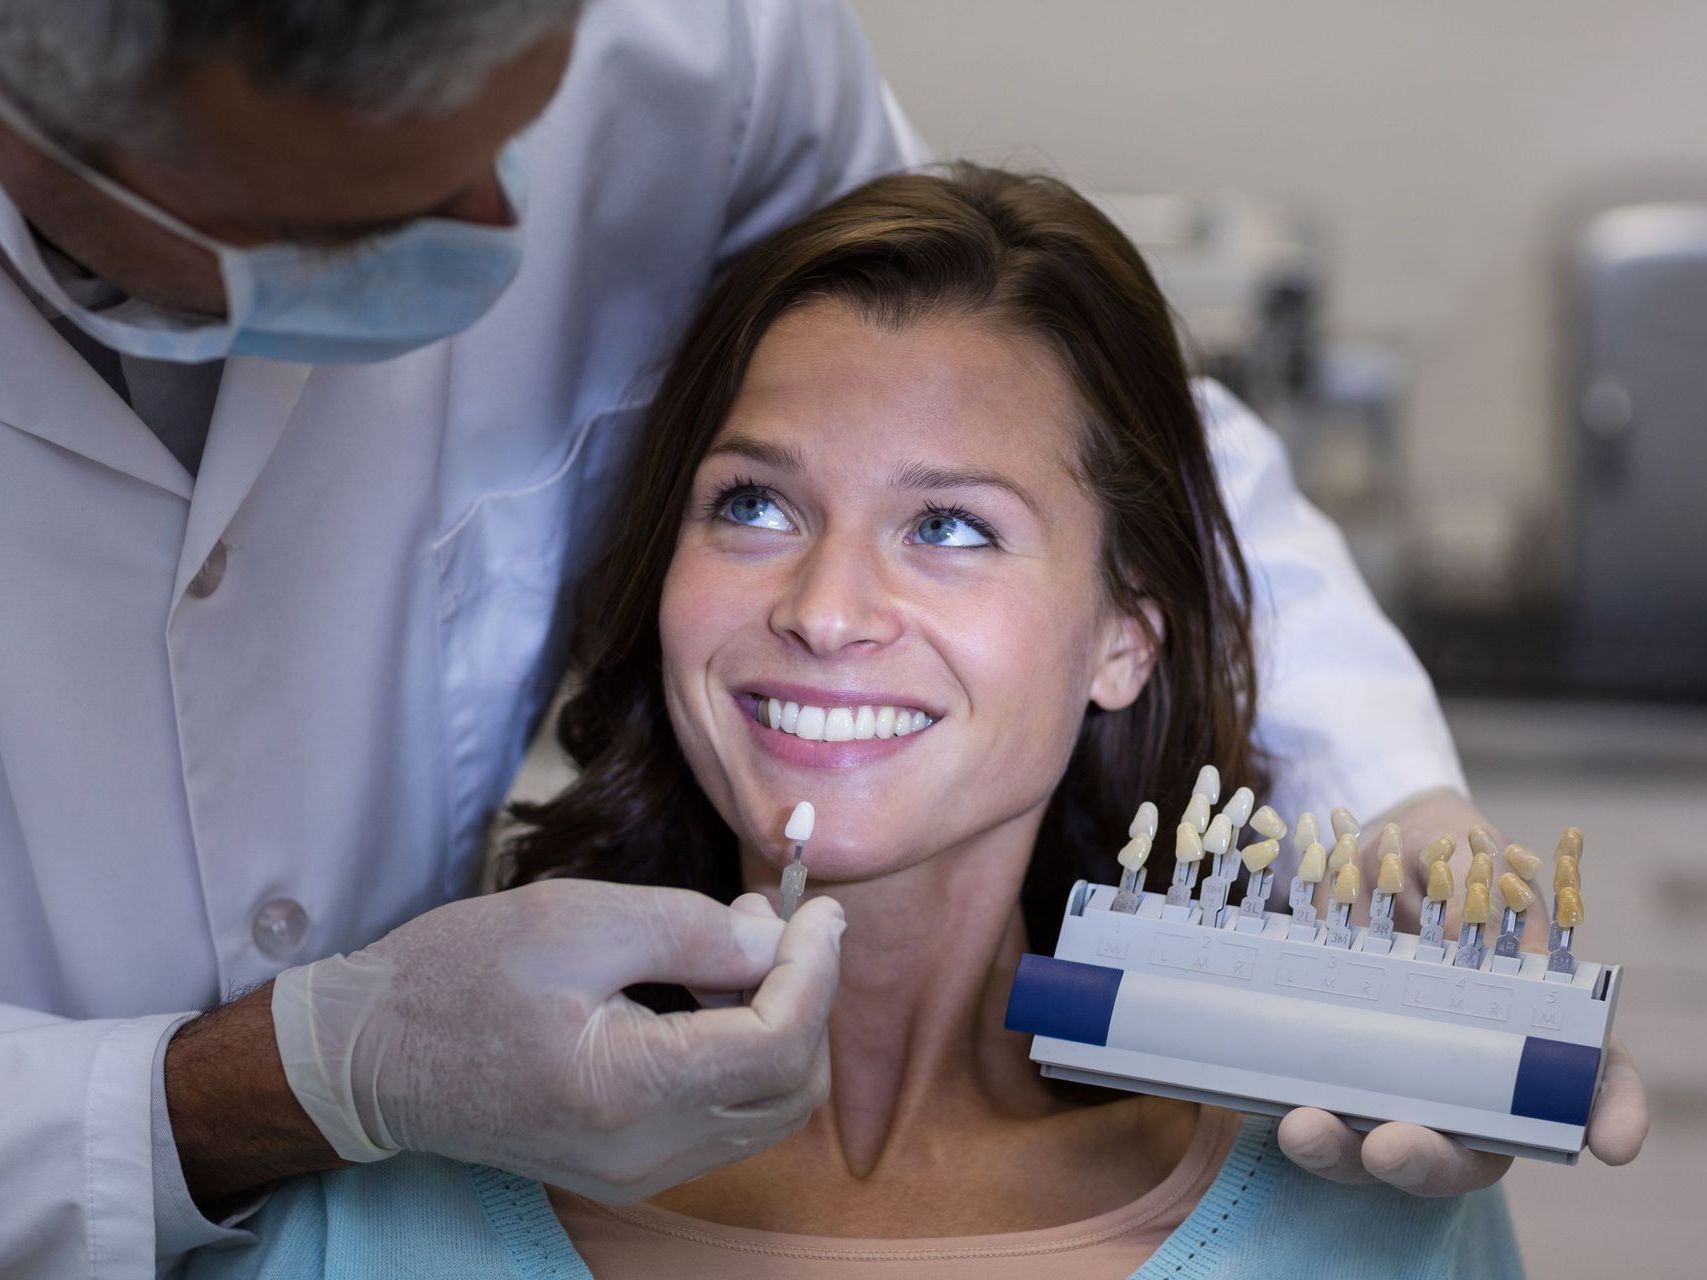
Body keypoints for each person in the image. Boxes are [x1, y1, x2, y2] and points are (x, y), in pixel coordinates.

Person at [0, 4, 1644, 1278]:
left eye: (948, 530)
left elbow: (1042, 390)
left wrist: (1398, 816)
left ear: (1122, 636)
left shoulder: (1367, 1218)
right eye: (752, 506)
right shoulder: (377, 1215)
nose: (828, 611)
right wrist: (294, 1086)